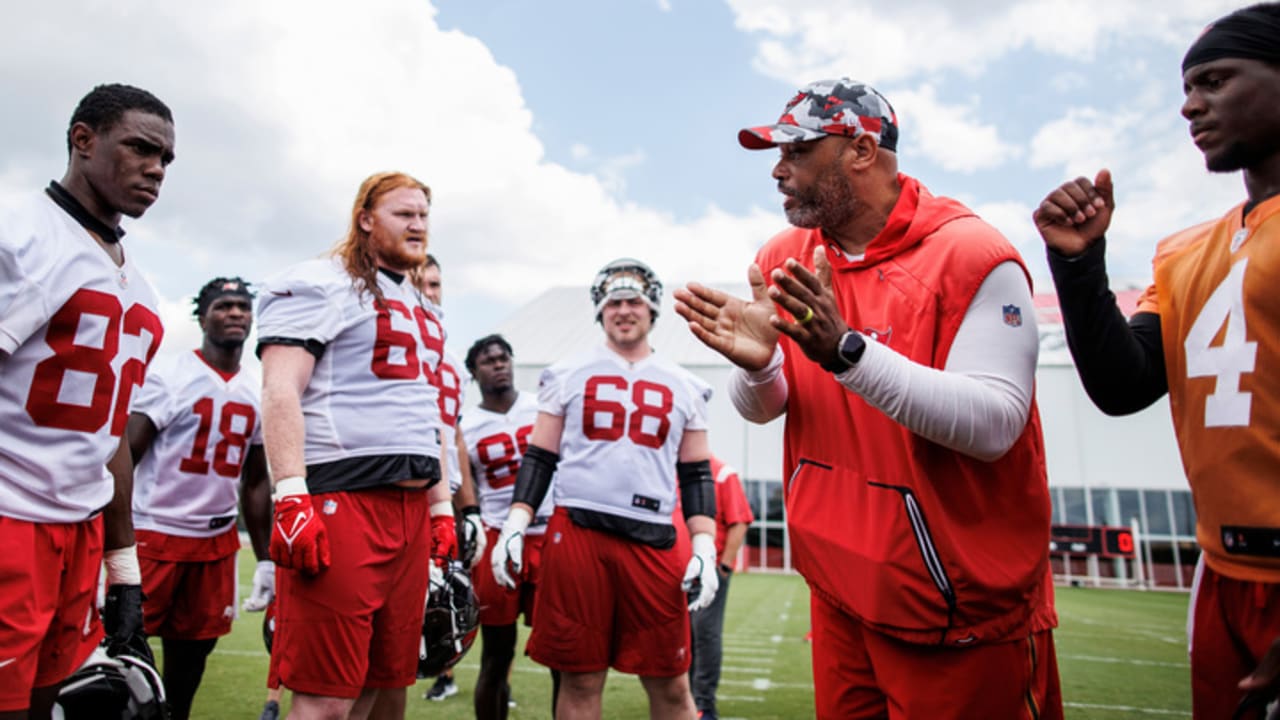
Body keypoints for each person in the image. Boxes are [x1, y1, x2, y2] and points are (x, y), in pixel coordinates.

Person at [674, 78, 1061, 719]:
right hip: (840, 587)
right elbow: (768, 406)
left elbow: (996, 423)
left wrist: (846, 354)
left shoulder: (972, 254)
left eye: (797, 151)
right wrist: (761, 367)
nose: (778, 170)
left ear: (859, 148)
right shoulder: (786, 254)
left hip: (958, 601)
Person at [1033, 5, 1280, 716]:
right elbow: (1123, 385)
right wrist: (1078, 267)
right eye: (1186, 86)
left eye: (1215, 80)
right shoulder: (1185, 250)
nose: (1188, 105)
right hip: (1222, 569)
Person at [0, 83, 173, 719]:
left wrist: (123, 569)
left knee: (55, 707)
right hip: (9, 519)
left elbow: (110, 439)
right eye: (140, 149)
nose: (156, 169)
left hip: (80, 535)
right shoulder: (20, 235)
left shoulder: (140, 286)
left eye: (166, 160)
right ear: (83, 139)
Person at [256, 171, 456, 720]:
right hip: (345, 500)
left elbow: (426, 412)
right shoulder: (322, 282)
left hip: (410, 509)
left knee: (376, 684)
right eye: (403, 214)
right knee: (324, 698)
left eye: (423, 214)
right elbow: (279, 390)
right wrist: (291, 495)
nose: (418, 225)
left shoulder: (419, 303)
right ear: (365, 219)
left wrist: (440, 506)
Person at [492, 257, 721, 720]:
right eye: (614, 301)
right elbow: (540, 457)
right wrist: (514, 523)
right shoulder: (566, 372)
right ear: (600, 309)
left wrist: (705, 545)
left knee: (672, 684)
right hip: (578, 531)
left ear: (652, 308)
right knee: (579, 678)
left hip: (655, 538)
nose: (624, 310)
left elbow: (697, 473)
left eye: (633, 300)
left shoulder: (686, 384)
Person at [125, 277, 271, 720]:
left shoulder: (258, 386)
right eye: (224, 305)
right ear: (202, 316)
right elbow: (127, 453)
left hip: (214, 542)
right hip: (154, 533)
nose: (235, 313)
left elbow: (256, 481)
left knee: (190, 664)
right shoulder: (170, 374)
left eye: (243, 306)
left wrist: (264, 558)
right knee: (123, 656)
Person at [461, 333, 558, 720]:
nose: (498, 364)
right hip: (497, 534)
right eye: (488, 360)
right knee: (496, 655)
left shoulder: (542, 408)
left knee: (562, 654)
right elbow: (464, 489)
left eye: (503, 357)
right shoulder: (466, 425)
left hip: (550, 532)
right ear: (473, 372)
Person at [687, 455, 754, 720]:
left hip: (709, 571)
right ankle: (684, 699)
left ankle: (704, 703)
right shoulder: (672, 469)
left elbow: (740, 521)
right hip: (677, 570)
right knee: (680, 638)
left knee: (705, 635)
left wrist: (724, 567)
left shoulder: (723, 474)